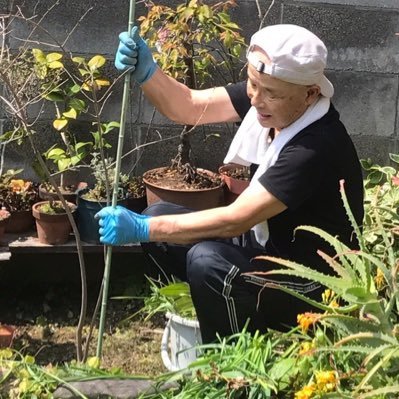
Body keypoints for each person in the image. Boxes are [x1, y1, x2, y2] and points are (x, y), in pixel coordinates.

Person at [95, 24, 364, 343]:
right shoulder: (270, 96)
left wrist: (140, 229)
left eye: (271, 94)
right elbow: (189, 106)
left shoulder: (315, 146)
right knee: (159, 218)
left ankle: (230, 368)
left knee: (208, 262)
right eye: (252, 84)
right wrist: (147, 71)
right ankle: (222, 313)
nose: (256, 100)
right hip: (268, 247)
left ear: (310, 93)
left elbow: (237, 219)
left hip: (312, 281)